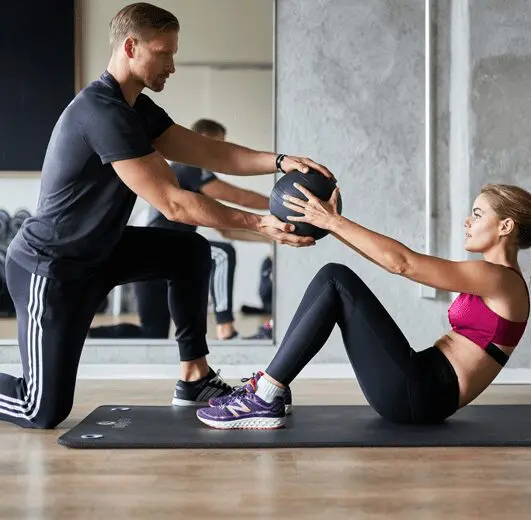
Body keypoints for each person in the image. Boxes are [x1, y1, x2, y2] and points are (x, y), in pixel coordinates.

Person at [0, 2, 333, 429]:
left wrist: (281, 160)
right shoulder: (102, 112)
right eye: (165, 52)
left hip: (101, 252)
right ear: (131, 46)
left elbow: (211, 152)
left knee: (189, 251)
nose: (172, 66)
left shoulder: (137, 109)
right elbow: (173, 203)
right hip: (52, 266)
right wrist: (260, 224)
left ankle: (194, 377)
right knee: (42, 410)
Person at [196, 183, 531, 430]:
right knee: (336, 280)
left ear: (505, 227)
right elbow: (393, 263)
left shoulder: (499, 280)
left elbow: (403, 263)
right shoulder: (495, 277)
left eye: (477, 214)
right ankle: (270, 387)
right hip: (421, 385)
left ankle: (265, 395)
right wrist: (332, 227)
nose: (467, 221)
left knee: (334, 280)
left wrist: (335, 221)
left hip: (420, 394)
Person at [88, 118, 272, 342]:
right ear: (202, 140)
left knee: (152, 334)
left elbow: (228, 231)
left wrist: (271, 238)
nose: (219, 150)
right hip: (157, 250)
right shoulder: (190, 168)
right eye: (218, 143)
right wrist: (279, 204)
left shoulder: (195, 181)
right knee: (222, 254)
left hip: (160, 256)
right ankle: (226, 329)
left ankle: (87, 333)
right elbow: (236, 197)